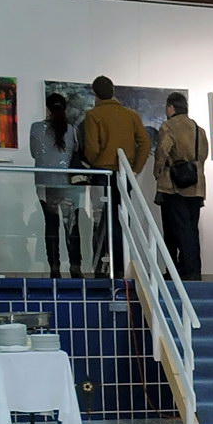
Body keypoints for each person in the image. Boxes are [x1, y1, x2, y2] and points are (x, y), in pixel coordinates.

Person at [79, 75, 151, 279]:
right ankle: (120, 265)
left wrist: (94, 161)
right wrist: (135, 168)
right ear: (113, 91)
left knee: (101, 221)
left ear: (95, 94)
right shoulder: (131, 115)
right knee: (121, 220)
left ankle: (103, 266)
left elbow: (92, 147)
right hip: (124, 174)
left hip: (102, 174)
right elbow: (145, 142)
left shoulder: (93, 115)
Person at [152, 92, 209, 281]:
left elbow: (162, 152)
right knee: (191, 228)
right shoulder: (198, 129)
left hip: (174, 185)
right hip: (196, 185)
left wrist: (157, 172)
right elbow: (203, 155)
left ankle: (181, 271)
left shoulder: (168, 127)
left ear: (171, 108)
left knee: (176, 229)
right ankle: (193, 269)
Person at [30, 92, 86, 279]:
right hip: (68, 183)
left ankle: (54, 267)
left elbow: (34, 153)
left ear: (47, 108)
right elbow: (75, 151)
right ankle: (75, 267)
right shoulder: (71, 129)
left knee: (51, 225)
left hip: (45, 183)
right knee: (72, 225)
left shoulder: (36, 128)